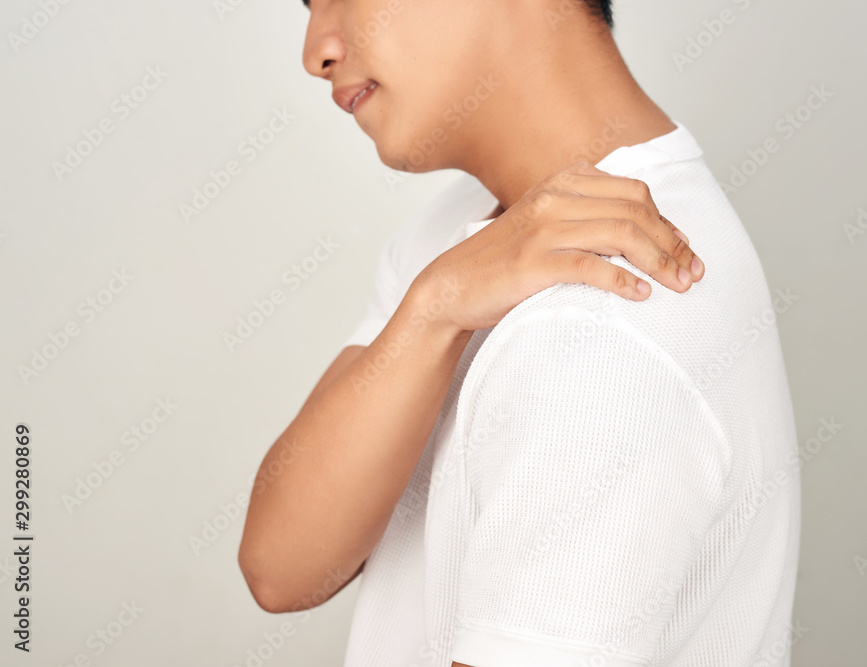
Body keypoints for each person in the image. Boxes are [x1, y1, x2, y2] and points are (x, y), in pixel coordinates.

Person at [238, 0, 801, 665]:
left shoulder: (600, 323)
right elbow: (282, 567)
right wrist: (433, 310)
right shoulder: (453, 242)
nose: (316, 51)